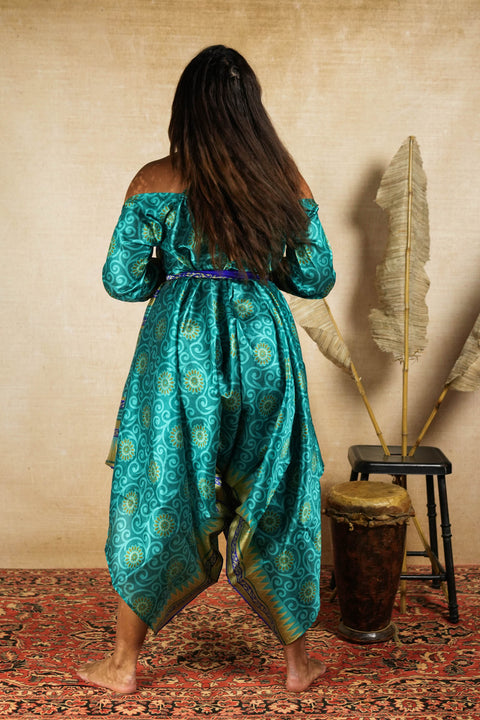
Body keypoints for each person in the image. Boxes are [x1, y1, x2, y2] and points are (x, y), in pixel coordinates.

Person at [77, 44, 335, 695]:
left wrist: (176, 275)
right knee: (274, 489)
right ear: (253, 110)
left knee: (160, 486)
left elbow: (121, 281)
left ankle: (123, 663)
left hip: (179, 352)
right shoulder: (283, 178)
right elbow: (315, 276)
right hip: (263, 346)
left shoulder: (154, 178)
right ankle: (298, 664)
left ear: (185, 108)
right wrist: (257, 266)